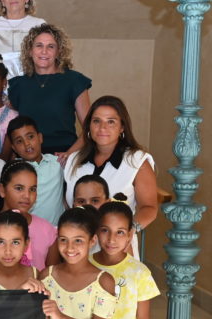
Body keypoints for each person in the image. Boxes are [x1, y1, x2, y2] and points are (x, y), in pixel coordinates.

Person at [63, 96, 158, 257]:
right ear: (88, 126)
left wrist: (129, 230)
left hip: (116, 249)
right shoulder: (74, 160)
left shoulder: (137, 161)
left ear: (122, 127)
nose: (102, 127)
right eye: (96, 121)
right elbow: (68, 203)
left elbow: (149, 208)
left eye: (111, 121)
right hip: (77, 251)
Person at [8, 23, 92, 156]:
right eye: (39, 45)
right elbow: (12, 131)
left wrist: (69, 154)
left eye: (50, 46)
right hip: (28, 158)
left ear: (59, 52)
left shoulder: (74, 81)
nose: (44, 51)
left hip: (63, 156)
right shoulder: (17, 85)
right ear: (30, 51)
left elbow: (90, 128)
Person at [0, 161, 58, 271]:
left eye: (32, 189)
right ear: (2, 190)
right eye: (19, 188)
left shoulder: (47, 229)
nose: (27, 196)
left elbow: (51, 277)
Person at [7, 116, 65, 226]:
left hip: (56, 231)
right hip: (27, 232)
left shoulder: (57, 162)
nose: (27, 144)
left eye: (30, 137)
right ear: (14, 148)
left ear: (40, 138)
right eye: (19, 141)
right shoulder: (14, 171)